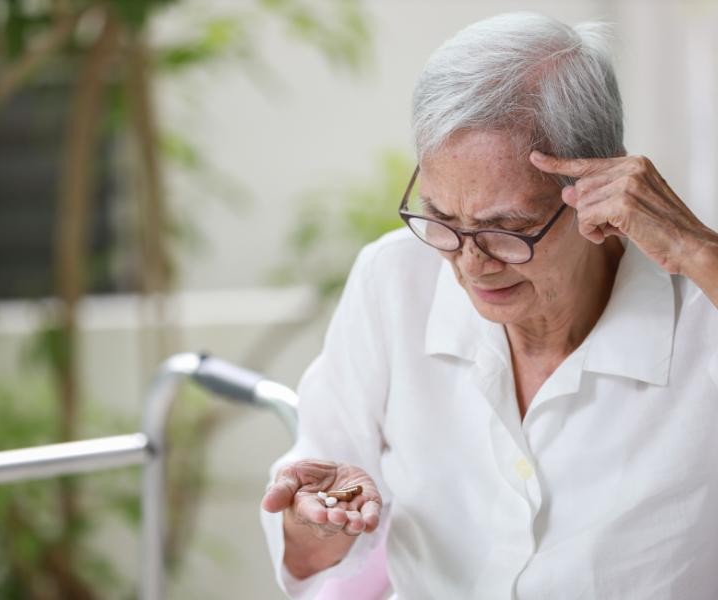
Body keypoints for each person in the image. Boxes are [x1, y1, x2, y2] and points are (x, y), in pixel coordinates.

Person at [260, 12, 718, 599]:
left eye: (509, 229)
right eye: (442, 219)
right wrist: (313, 520)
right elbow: (312, 553)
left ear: (603, 189)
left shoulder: (702, 311)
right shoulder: (394, 280)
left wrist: (699, 250)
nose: (470, 263)